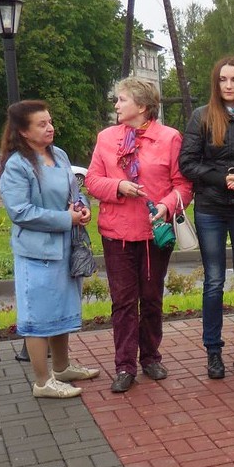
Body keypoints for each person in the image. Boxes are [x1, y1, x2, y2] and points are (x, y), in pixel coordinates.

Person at [85, 78, 193, 394]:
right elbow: (91, 181)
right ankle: (124, 366)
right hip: (116, 232)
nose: (116, 105)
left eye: (121, 100)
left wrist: (166, 205)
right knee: (122, 301)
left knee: (151, 297)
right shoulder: (106, 138)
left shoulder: (170, 138)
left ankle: (150, 358)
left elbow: (184, 186)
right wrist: (117, 186)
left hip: (153, 234)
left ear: (142, 106)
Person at [0, 101, 100, 398]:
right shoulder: (17, 166)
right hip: (37, 253)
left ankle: (63, 367)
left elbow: (75, 190)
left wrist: (82, 207)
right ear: (23, 132)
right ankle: (42, 381)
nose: (50, 127)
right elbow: (20, 212)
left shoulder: (60, 155)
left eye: (50, 121)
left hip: (66, 246)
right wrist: (65, 218)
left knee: (62, 310)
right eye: (41, 124)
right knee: (39, 316)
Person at [179, 56, 234, 380]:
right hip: (212, 208)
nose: (229, 85)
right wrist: (222, 179)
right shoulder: (201, 117)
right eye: (223, 80)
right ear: (216, 84)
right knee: (214, 282)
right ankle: (213, 352)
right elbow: (187, 163)